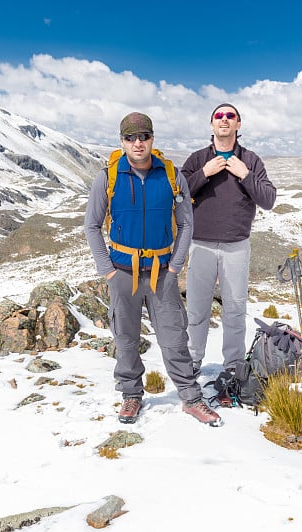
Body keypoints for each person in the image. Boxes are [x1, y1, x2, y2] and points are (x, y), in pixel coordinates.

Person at [84, 112, 222, 427]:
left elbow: (187, 223)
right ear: (122, 141)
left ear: (152, 139)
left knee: (174, 338)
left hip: (162, 274)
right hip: (121, 272)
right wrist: (107, 271)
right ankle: (131, 396)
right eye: (130, 137)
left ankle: (191, 398)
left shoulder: (172, 175)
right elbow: (91, 226)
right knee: (126, 339)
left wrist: (175, 267)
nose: (137, 143)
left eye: (143, 136)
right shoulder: (108, 177)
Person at [181, 103, 277, 405]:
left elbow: (268, 199)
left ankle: (234, 365)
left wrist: (245, 174)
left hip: (236, 246)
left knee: (235, 309)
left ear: (238, 124)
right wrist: (204, 174)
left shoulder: (250, 160)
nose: (224, 120)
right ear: (211, 124)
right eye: (219, 116)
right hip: (201, 245)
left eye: (230, 116)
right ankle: (193, 361)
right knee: (197, 310)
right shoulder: (197, 159)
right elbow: (177, 193)